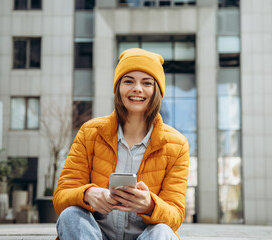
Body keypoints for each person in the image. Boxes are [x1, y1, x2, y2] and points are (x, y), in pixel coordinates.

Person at [53, 48, 190, 240]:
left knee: (163, 232)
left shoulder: (177, 144)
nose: (137, 88)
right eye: (128, 81)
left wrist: (150, 205)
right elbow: (61, 197)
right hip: (95, 235)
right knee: (70, 215)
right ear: (118, 88)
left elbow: (175, 215)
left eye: (147, 83)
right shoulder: (89, 132)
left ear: (157, 91)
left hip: (144, 236)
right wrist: (88, 194)